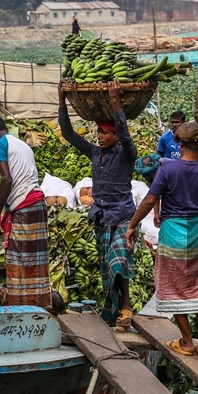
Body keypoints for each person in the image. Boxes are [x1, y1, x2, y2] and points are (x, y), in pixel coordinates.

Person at [125, 122, 198, 360]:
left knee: (172, 286)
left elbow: (149, 199)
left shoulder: (167, 170)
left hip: (173, 232)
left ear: (180, 144)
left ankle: (186, 341)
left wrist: (132, 225)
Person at [58, 80, 138, 330]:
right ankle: (113, 311)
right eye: (99, 133)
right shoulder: (95, 153)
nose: (100, 137)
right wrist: (61, 99)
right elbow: (69, 133)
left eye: (105, 133)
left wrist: (115, 101)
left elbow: (126, 135)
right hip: (102, 217)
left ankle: (126, 306)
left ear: (115, 135)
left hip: (123, 216)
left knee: (118, 261)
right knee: (106, 269)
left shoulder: (126, 154)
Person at [0, 115, 52, 310]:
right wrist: (8, 210)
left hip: (24, 207)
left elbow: (7, 179)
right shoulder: (23, 145)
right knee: (36, 260)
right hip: (37, 202)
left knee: (19, 259)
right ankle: (39, 305)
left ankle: (20, 308)